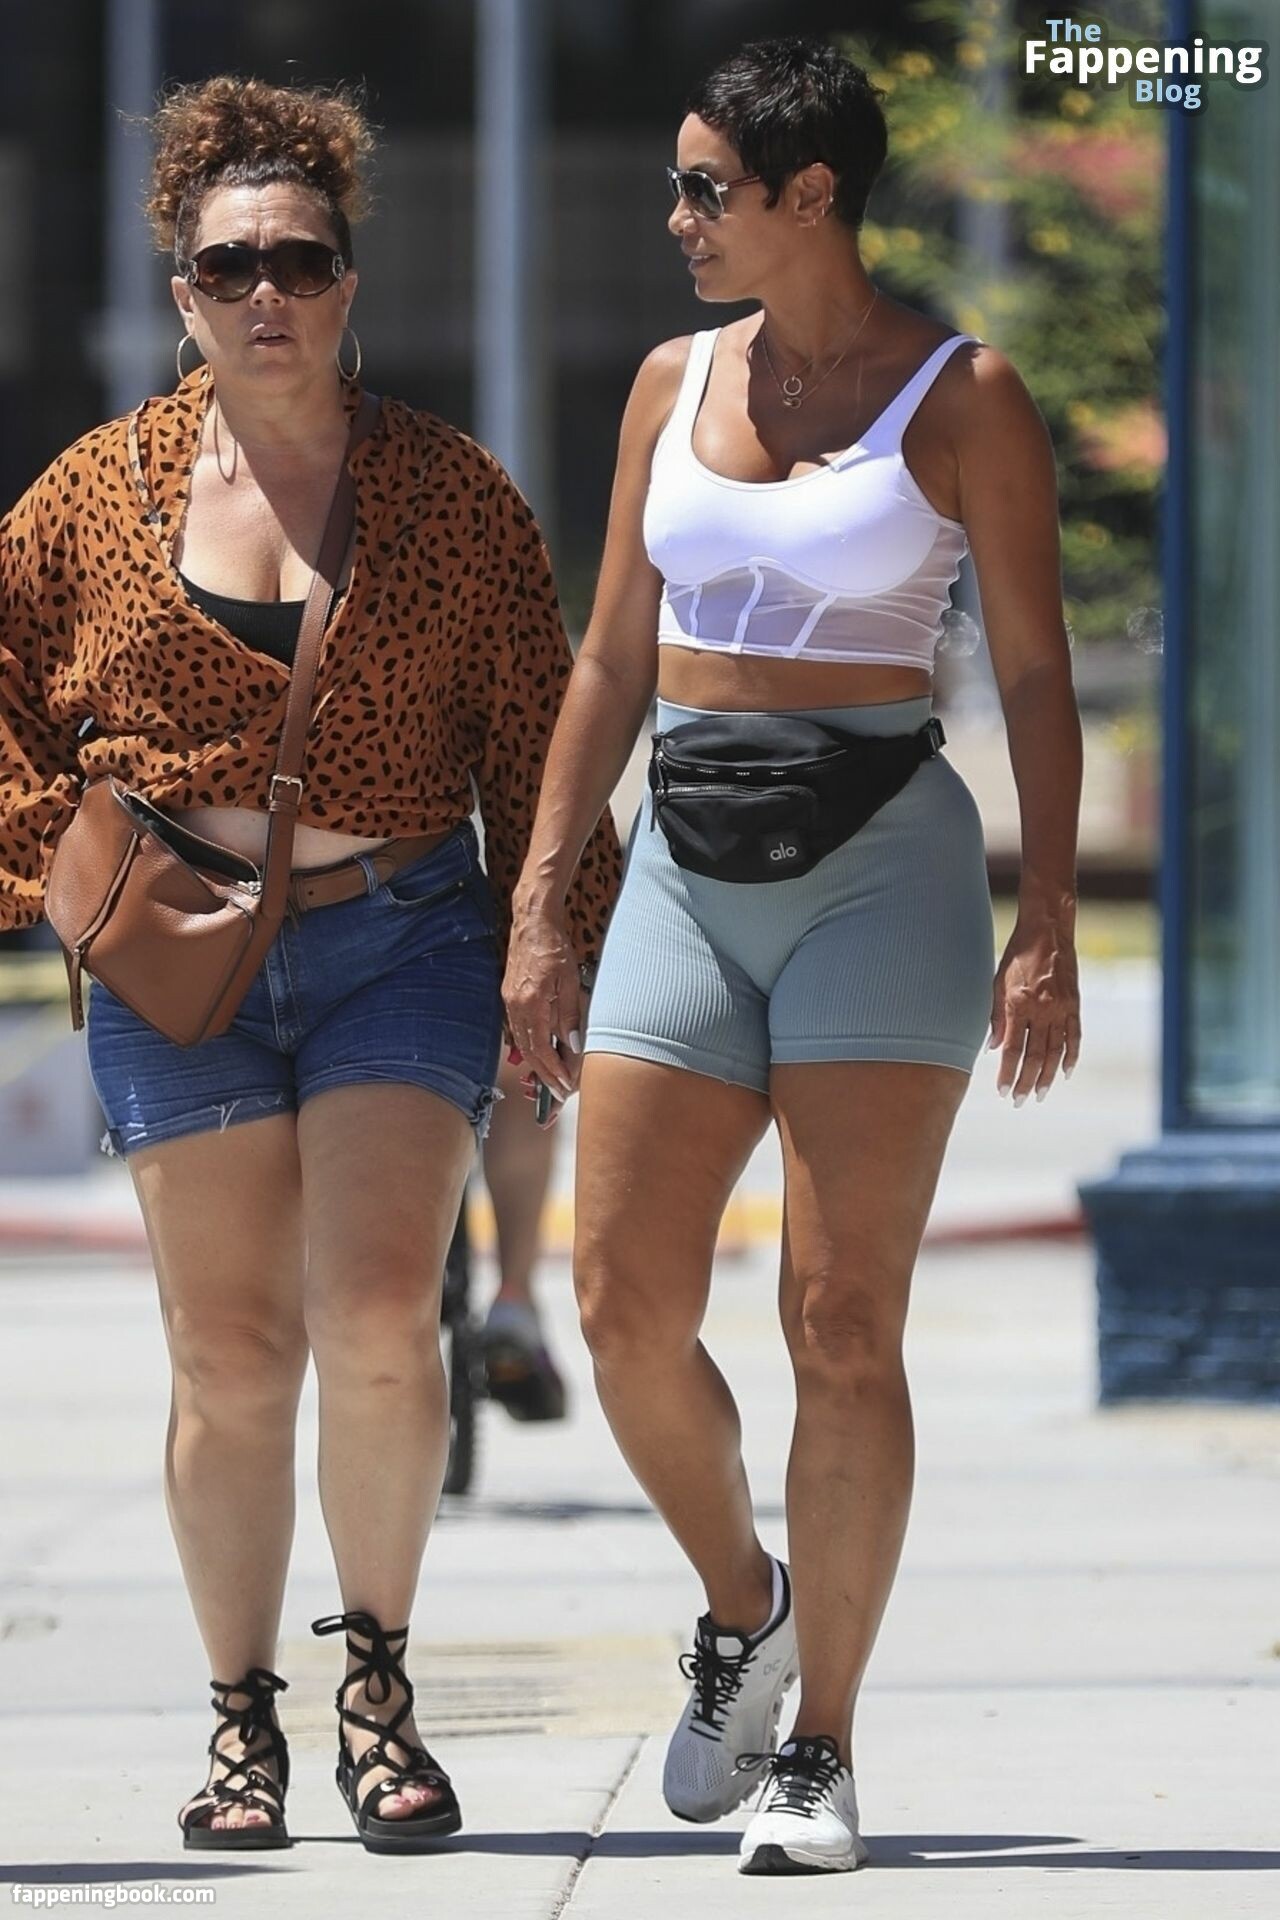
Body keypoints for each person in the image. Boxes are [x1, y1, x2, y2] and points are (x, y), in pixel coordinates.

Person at [0, 76, 620, 1852]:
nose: (266, 291)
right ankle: (239, 1719)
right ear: (181, 289)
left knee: (376, 1313)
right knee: (231, 1353)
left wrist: (551, 940)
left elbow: (542, 733)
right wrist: (60, 870)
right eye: (230, 264)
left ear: (349, 279)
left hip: (401, 939)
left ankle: (377, 1686)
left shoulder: (451, 494)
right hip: (174, 970)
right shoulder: (92, 496)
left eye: (301, 259)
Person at [503, 35, 1082, 1877]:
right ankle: (743, 1605)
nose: (674, 218)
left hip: (877, 867)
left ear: (809, 194)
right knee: (621, 1307)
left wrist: (1050, 917)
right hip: (685, 856)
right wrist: (541, 901)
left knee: (840, 1323)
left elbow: (1037, 671)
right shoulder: (669, 383)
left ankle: (820, 1745)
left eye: (705, 189)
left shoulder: (961, 394)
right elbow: (611, 656)